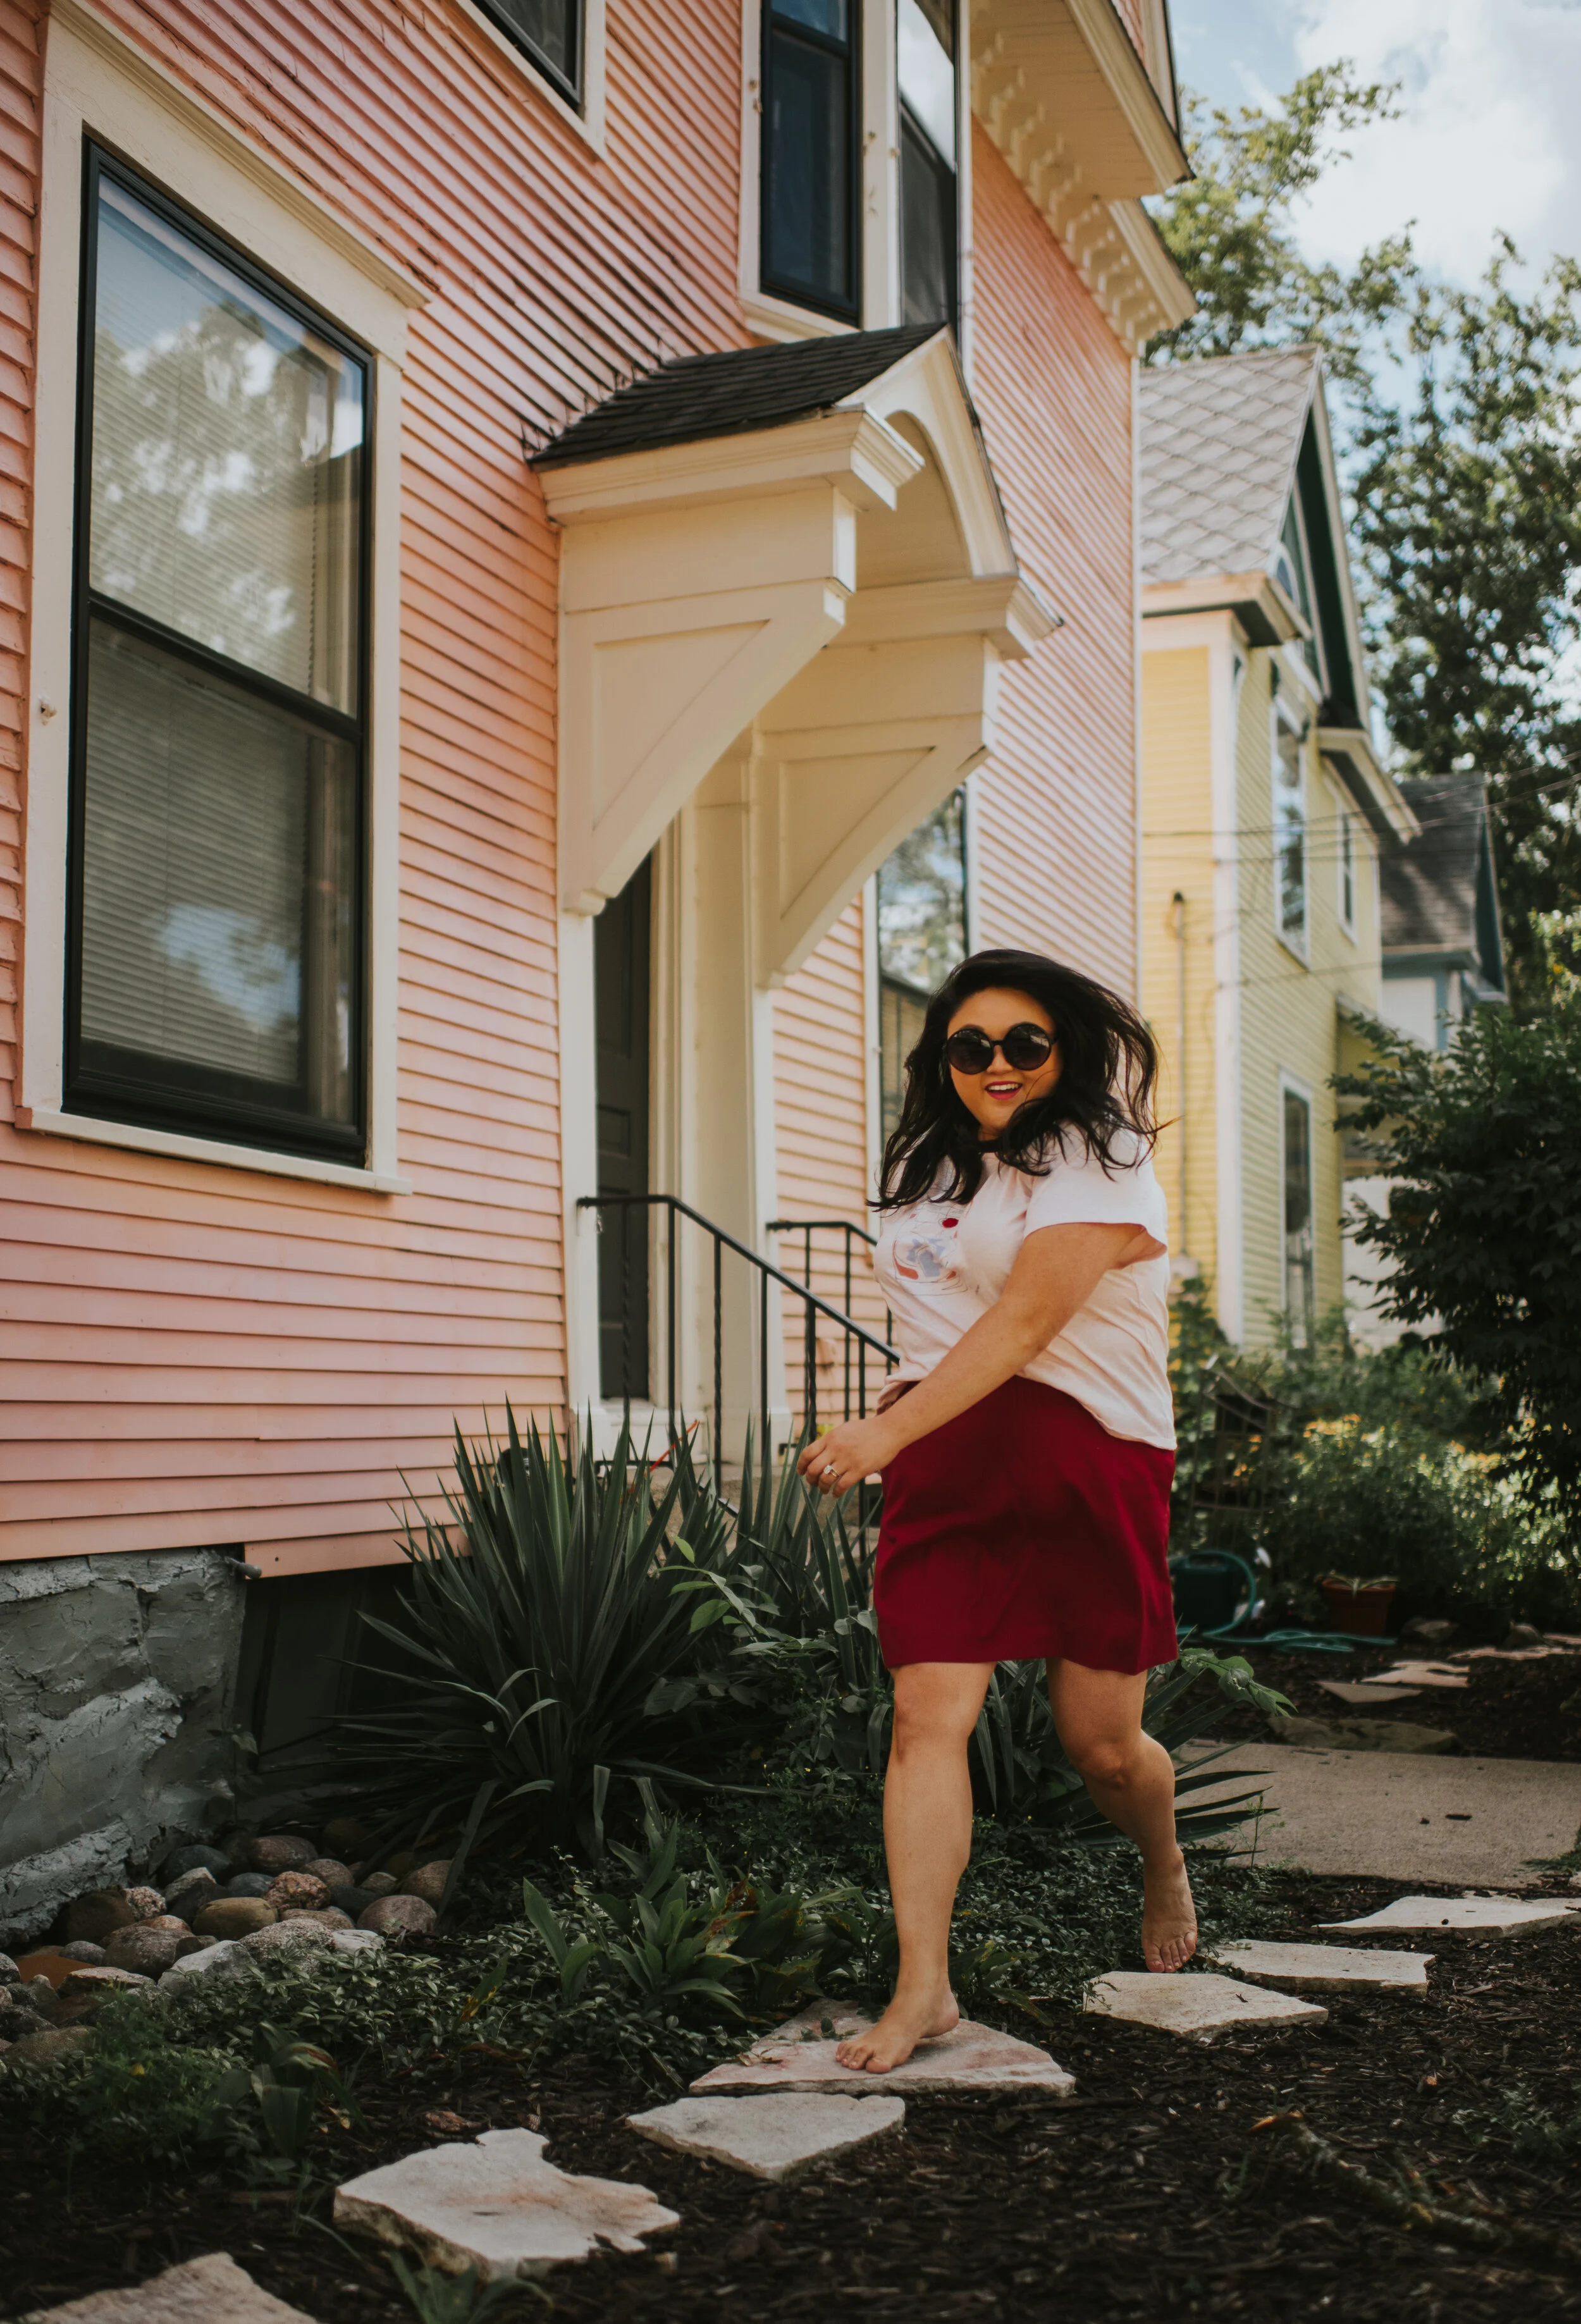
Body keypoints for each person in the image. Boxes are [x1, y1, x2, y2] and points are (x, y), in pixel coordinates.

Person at [796, 947, 1191, 2075]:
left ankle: (1160, 1857)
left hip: (1088, 1454)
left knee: (1102, 1746)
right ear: (943, 1062)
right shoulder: (928, 1166)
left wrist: (881, 1434)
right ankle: (925, 1986)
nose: (998, 1064)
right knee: (927, 1719)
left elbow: (1025, 1324)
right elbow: (941, 1321)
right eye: (972, 1046)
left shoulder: (1098, 1157)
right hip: (950, 1460)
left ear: (1064, 1049)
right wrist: (908, 1422)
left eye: (1025, 1042)